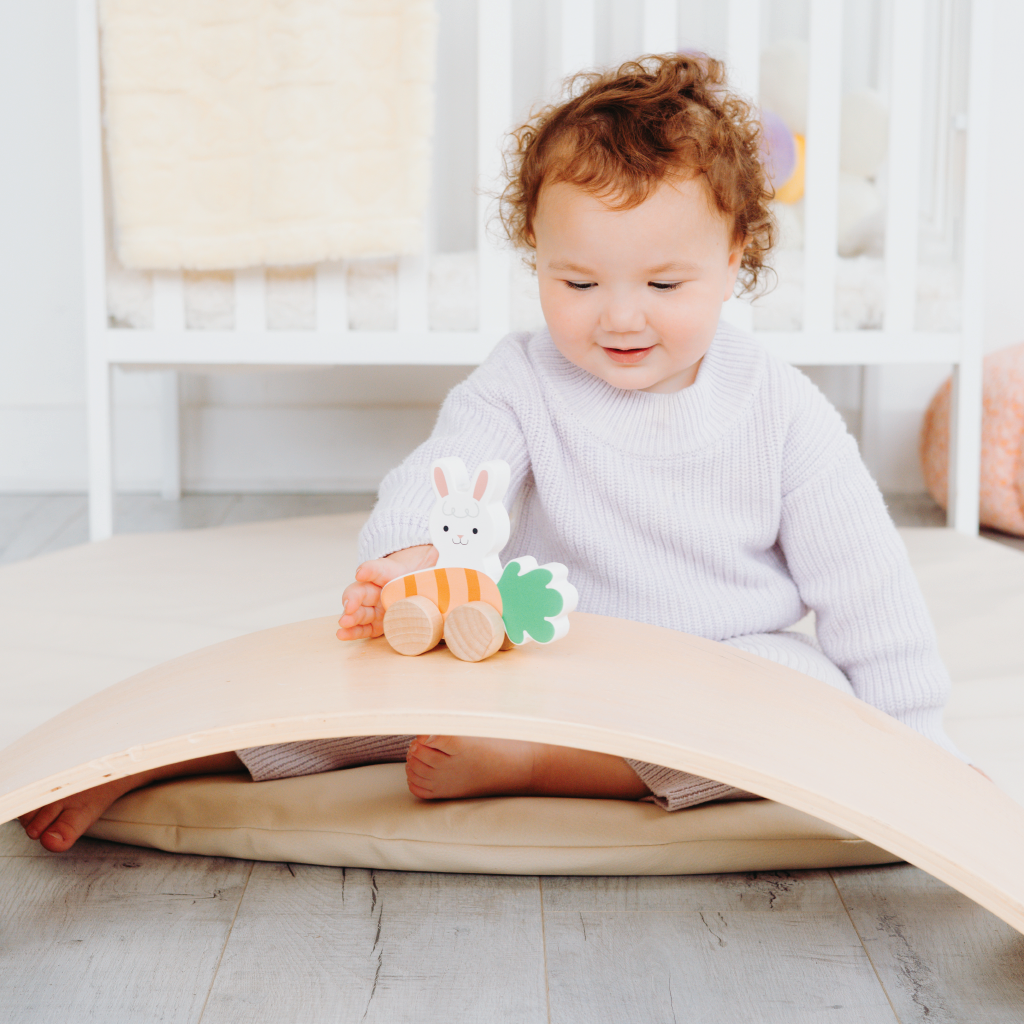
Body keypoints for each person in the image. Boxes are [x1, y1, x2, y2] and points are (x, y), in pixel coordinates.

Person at [19, 54, 988, 853]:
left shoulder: (783, 410)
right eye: (577, 279)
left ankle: (545, 764)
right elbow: (447, 473)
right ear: (535, 255)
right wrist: (409, 562)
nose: (618, 316)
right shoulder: (521, 378)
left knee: (808, 703)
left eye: (661, 280)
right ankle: (160, 757)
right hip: (541, 651)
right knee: (360, 687)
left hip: (720, 664)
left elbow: (868, 587)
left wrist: (920, 752)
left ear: (734, 256)